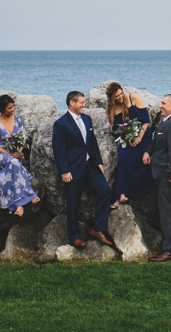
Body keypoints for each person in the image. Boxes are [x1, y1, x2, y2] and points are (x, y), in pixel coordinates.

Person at [52, 90, 114, 249]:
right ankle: (74, 237)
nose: (84, 105)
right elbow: (59, 150)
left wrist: (99, 161)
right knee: (73, 204)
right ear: (72, 103)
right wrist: (64, 171)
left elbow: (92, 143)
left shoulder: (87, 119)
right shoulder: (61, 124)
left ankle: (98, 229)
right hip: (72, 170)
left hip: (90, 166)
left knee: (105, 191)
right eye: (81, 102)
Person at [144, 94, 171, 262]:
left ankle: (169, 250)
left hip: (166, 177)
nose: (160, 106)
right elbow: (157, 141)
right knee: (152, 211)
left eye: (163, 103)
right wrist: (148, 151)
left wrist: (167, 175)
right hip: (158, 175)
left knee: (167, 213)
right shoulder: (165, 122)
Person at [0, 94, 40, 216]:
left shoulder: (19, 119)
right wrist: (9, 154)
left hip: (15, 154)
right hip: (0, 154)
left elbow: (23, 138)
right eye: (9, 108)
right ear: (2, 108)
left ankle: (18, 206)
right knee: (14, 162)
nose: (12, 110)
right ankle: (28, 197)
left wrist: (19, 151)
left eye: (13, 107)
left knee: (14, 163)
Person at [106, 81, 152, 209]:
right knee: (123, 158)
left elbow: (146, 121)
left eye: (121, 94)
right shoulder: (111, 109)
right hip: (127, 140)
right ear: (111, 98)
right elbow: (115, 131)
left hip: (143, 137)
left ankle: (121, 196)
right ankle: (120, 195)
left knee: (139, 161)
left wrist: (139, 137)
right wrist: (126, 138)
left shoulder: (133, 98)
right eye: (117, 96)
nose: (120, 97)